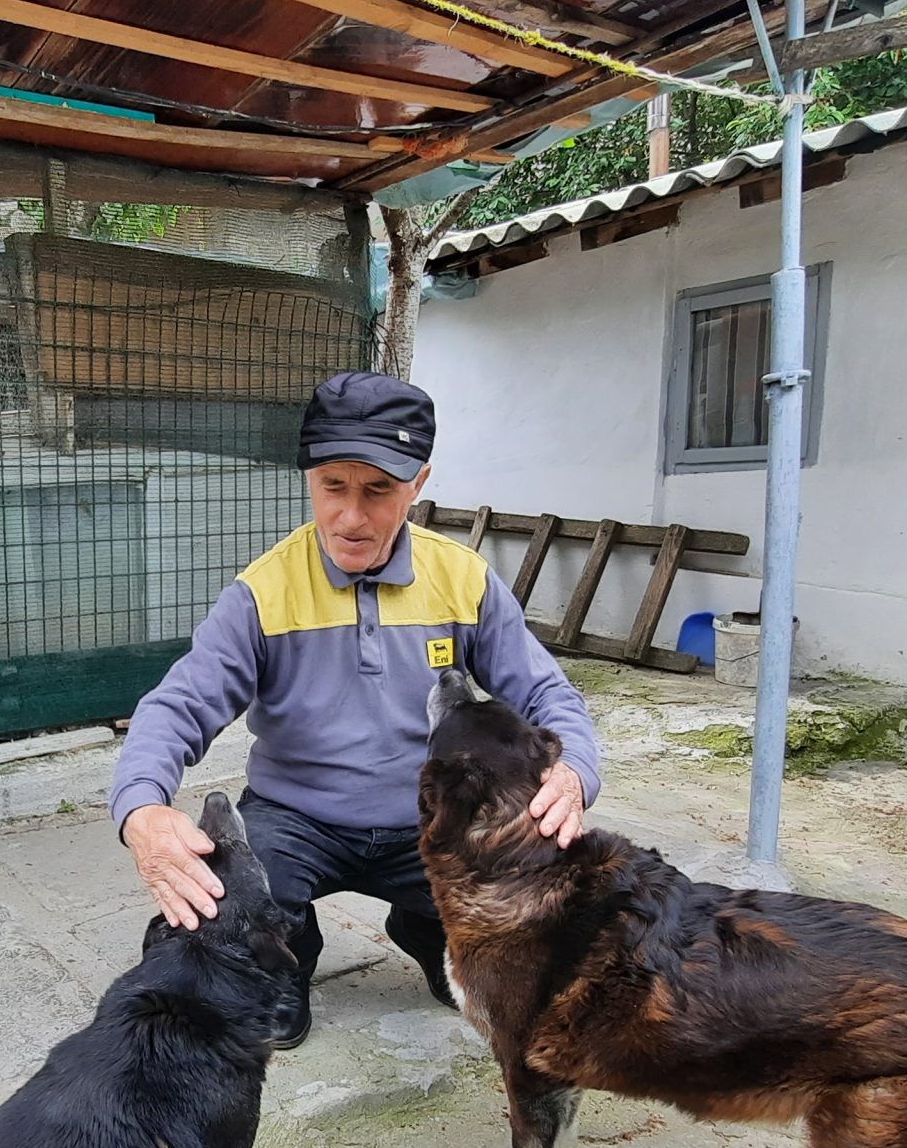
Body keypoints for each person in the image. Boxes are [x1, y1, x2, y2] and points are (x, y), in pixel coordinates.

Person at [110, 371, 602, 1047]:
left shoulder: (463, 579)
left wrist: (573, 769)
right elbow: (176, 707)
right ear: (309, 477)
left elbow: (547, 693)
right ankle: (285, 963)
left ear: (419, 482)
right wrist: (141, 808)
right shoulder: (262, 592)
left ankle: (434, 932)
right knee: (224, 888)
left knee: (539, 878)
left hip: (427, 818)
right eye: (332, 487)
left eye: (378, 491)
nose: (351, 517)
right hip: (296, 816)